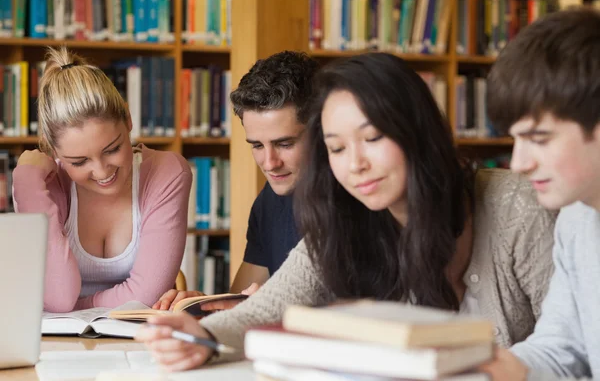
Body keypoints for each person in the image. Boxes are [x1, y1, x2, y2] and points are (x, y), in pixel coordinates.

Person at [136, 52, 556, 372]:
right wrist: (200, 336)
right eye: (336, 148)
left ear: (417, 131)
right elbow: (266, 310)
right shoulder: (342, 216)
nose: (354, 164)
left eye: (371, 138)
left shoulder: (516, 207)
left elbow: (573, 347)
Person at [12, 47, 192, 313]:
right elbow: (57, 296)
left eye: (112, 149)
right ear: (54, 152)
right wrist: (26, 183)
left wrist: (75, 308)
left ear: (128, 120)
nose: (101, 171)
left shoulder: (167, 173)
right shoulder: (42, 185)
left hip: (133, 340)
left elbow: (144, 296)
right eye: (79, 162)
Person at [477, 8, 600, 381]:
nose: (518, 163)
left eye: (539, 139)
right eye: (515, 139)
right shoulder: (576, 218)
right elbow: (561, 351)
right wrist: (476, 369)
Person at [152, 51, 319, 310]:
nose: (269, 163)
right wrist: (201, 307)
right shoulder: (270, 200)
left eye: (284, 144)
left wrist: (271, 307)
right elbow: (240, 303)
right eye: (257, 146)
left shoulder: (359, 201)